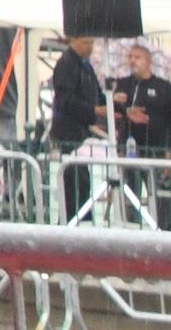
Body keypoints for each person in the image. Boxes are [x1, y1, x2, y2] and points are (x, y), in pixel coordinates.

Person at [112, 41, 171, 230]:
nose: (132, 61)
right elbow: (111, 113)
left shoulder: (163, 87)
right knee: (130, 193)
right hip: (130, 150)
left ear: (148, 61)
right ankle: (132, 228)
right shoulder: (124, 85)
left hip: (156, 151)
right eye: (130, 57)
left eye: (137, 57)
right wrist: (120, 106)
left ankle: (161, 228)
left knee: (158, 195)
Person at [50, 34, 110, 219]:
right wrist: (93, 111)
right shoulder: (66, 64)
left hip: (83, 133)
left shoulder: (86, 66)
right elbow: (65, 100)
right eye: (86, 43)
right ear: (73, 41)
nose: (90, 47)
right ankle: (74, 219)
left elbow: (97, 94)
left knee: (82, 181)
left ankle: (82, 217)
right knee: (74, 182)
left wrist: (111, 103)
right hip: (69, 133)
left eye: (92, 43)